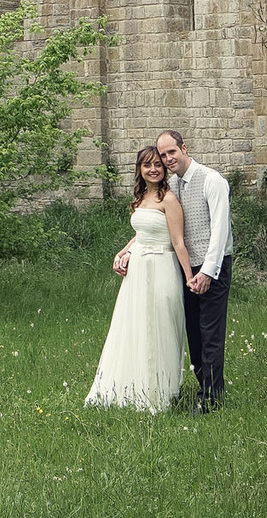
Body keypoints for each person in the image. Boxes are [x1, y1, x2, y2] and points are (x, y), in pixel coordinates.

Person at [85, 144, 192, 412]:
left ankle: (159, 392)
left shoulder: (169, 199)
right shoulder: (140, 198)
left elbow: (178, 241)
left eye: (158, 164)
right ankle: (131, 384)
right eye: (147, 165)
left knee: (159, 327)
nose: (153, 169)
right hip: (138, 271)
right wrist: (122, 252)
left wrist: (190, 278)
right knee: (133, 327)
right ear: (140, 170)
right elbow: (142, 233)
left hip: (162, 267)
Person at [157, 128, 231, 410]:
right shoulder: (172, 186)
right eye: (163, 155)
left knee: (211, 332)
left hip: (213, 266)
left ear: (184, 148)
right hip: (185, 269)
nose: (167, 159)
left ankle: (211, 400)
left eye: (171, 152)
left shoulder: (212, 180)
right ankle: (206, 386)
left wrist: (207, 272)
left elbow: (220, 230)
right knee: (194, 333)